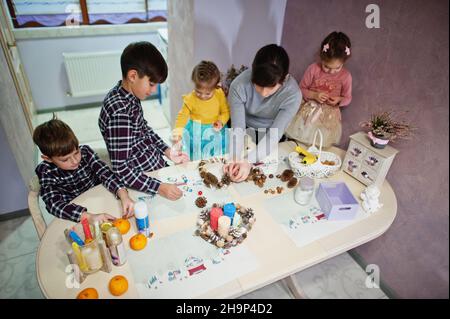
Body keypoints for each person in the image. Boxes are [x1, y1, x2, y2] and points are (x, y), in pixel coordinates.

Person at [99, 42, 189, 201]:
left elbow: (143, 129)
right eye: (151, 84)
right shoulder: (120, 113)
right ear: (132, 76)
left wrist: (167, 151)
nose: (154, 90)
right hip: (143, 180)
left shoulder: (129, 95)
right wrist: (159, 187)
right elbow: (121, 169)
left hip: (154, 165)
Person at [34, 116, 134, 223]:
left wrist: (124, 195)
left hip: (100, 199)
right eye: (65, 159)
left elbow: (106, 174)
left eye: (76, 152)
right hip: (75, 214)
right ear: (48, 158)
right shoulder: (45, 171)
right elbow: (54, 205)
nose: (75, 161)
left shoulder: (86, 152)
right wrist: (88, 217)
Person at [224, 44, 302, 182]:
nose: (264, 93)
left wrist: (248, 162)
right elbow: (238, 128)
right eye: (258, 85)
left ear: (284, 79)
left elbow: (273, 136)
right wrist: (235, 158)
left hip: (270, 135)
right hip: (244, 131)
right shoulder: (239, 85)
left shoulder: (293, 95)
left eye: (271, 87)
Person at [285, 31, 353, 148]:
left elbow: (348, 98)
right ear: (322, 58)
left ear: (344, 62)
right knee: (300, 141)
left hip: (328, 117)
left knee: (319, 142)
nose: (331, 72)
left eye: (337, 68)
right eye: (326, 66)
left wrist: (338, 99)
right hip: (309, 112)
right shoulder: (313, 69)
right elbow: (301, 89)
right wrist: (314, 95)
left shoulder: (346, 76)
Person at [173, 61, 230, 160]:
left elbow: (226, 111)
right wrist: (177, 134)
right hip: (196, 134)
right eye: (198, 92)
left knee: (217, 157)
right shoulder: (190, 99)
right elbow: (182, 117)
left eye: (207, 93)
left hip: (215, 131)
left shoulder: (219, 94)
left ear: (216, 86)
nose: (203, 96)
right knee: (198, 159)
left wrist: (221, 121)